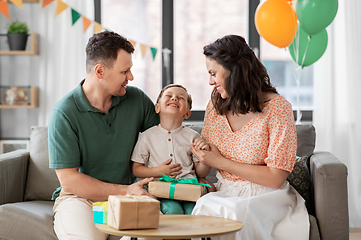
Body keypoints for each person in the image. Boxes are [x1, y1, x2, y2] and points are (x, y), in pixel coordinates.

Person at [191, 35, 309, 240]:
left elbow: (275, 178)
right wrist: (202, 159)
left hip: (267, 196)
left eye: (213, 74)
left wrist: (221, 162)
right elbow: (203, 166)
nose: (210, 82)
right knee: (205, 206)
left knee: (236, 215)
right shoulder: (215, 107)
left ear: (233, 71)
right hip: (225, 192)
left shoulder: (278, 109)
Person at [48, 31, 160, 240]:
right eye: (124, 71)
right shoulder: (64, 113)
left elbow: (164, 140)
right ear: (100, 71)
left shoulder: (137, 100)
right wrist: (126, 191)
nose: (131, 77)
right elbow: (70, 181)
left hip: (131, 198)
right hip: (81, 200)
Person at [131, 84, 211, 215]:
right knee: (174, 210)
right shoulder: (147, 136)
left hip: (189, 189)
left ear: (187, 113)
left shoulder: (193, 137)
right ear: (157, 108)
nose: (174, 98)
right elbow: (136, 169)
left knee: (194, 211)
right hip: (162, 191)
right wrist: (158, 171)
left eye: (180, 98)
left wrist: (204, 157)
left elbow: (201, 173)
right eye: (169, 96)